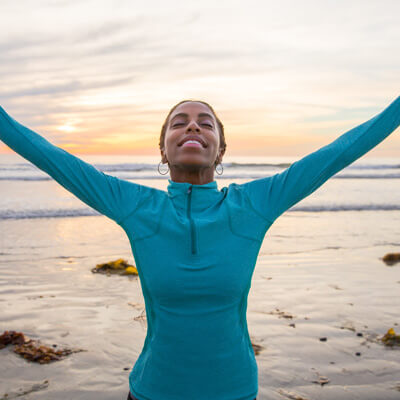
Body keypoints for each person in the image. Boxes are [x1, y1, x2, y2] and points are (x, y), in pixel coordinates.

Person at [0, 96, 399, 400]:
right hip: (153, 389)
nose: (193, 127)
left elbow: (338, 152)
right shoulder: (136, 206)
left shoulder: (255, 204)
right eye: (180, 123)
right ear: (163, 150)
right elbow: (50, 157)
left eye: (205, 123)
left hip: (235, 389)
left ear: (220, 150)